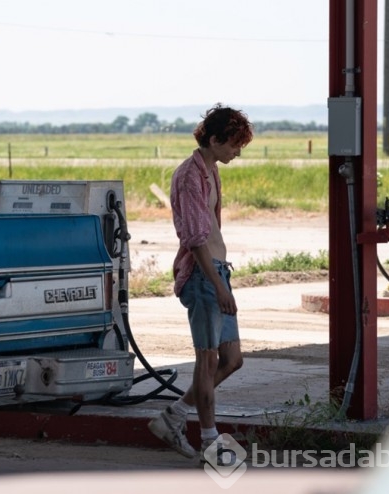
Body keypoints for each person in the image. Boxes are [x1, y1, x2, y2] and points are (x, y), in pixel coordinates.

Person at [148, 103, 254, 464]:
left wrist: (223, 278)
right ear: (214, 139)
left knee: (232, 359)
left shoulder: (210, 170)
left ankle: (172, 418)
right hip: (202, 276)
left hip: (218, 272)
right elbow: (195, 239)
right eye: (234, 145)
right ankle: (211, 445)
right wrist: (218, 285)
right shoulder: (189, 176)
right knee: (208, 361)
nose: (238, 152)